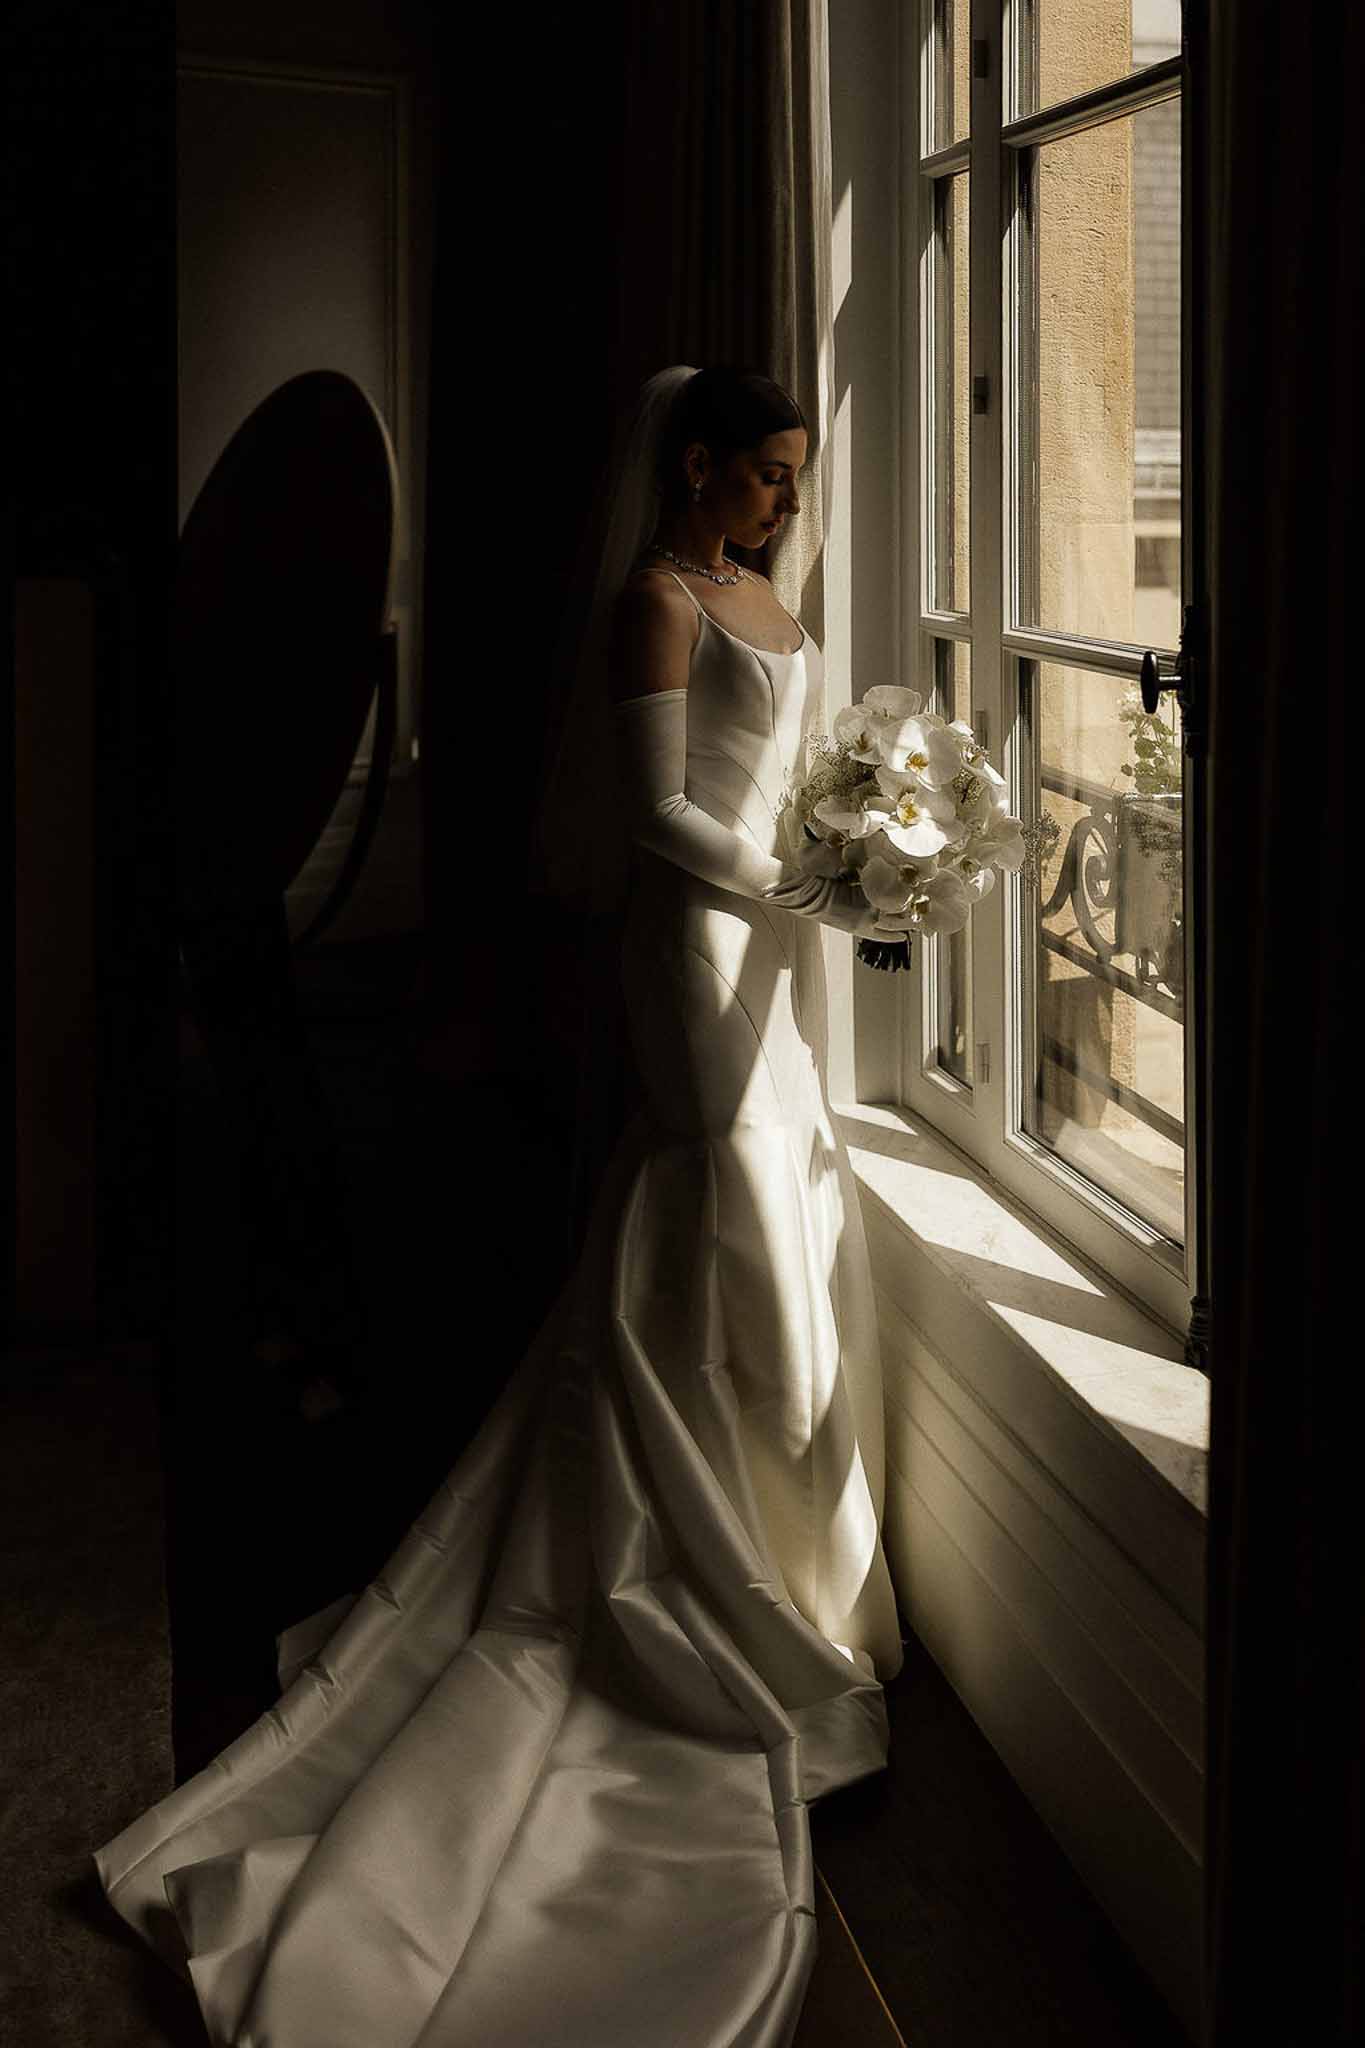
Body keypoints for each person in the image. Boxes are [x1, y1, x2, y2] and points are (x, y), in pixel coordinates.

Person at [93, 363, 908, 2046]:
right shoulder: (656, 601)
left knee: (766, 1215)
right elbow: (662, 815)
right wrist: (819, 881)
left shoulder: (767, 585)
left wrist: (871, 835)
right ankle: (682, 1565)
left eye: (792, 478)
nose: (784, 504)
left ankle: (774, 1557)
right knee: (730, 1193)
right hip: (698, 949)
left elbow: (786, 761)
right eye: (762, 476)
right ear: (693, 472)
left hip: (777, 940)